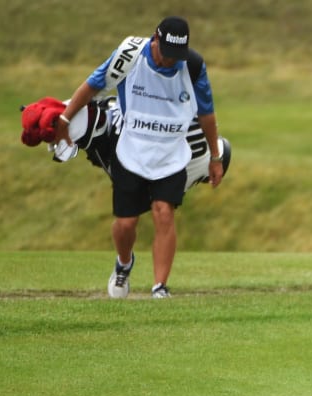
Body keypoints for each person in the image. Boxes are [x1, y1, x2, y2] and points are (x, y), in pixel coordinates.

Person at [54, 16, 224, 299]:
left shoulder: (192, 65)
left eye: (176, 56)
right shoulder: (130, 55)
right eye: (166, 53)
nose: (171, 61)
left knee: (164, 212)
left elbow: (207, 114)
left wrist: (214, 157)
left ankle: (160, 287)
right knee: (126, 223)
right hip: (131, 151)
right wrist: (64, 118)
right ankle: (124, 264)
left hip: (171, 153)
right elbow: (92, 85)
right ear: (155, 39)